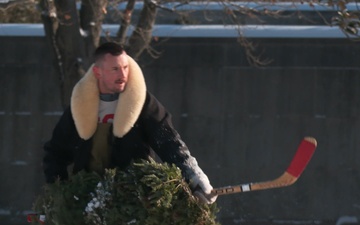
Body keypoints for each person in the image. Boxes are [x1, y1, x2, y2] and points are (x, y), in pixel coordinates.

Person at [43, 42, 217, 204]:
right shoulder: (79, 105)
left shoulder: (143, 103)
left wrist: (194, 177)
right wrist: (61, 194)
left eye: (125, 67)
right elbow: (56, 153)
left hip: (137, 198)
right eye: (115, 69)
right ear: (98, 72)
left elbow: (169, 142)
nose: (123, 75)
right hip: (88, 199)